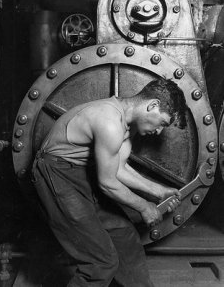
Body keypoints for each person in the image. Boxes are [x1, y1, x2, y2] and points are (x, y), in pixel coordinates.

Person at [31, 78, 187, 287]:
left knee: (125, 237)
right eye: (162, 124)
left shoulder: (126, 123)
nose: (159, 132)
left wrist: (160, 191)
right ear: (153, 105)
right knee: (101, 262)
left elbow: (119, 168)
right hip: (56, 174)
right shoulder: (109, 121)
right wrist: (144, 207)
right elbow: (107, 182)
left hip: (80, 173)